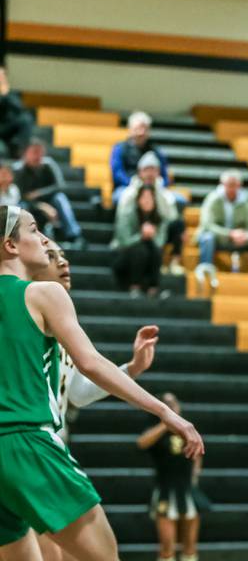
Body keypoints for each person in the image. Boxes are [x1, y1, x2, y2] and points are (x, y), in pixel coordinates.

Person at [0, 205, 203, 561]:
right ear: (10, 245)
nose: (45, 241)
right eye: (34, 231)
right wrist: (165, 413)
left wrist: (131, 367)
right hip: (26, 443)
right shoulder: (42, 294)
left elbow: (77, 389)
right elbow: (90, 364)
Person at [29, 240, 158, 561]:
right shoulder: (22, 316)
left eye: (64, 254)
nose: (64, 261)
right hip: (28, 451)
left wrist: (132, 368)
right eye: (52, 255)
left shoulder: (61, 320)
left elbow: (77, 393)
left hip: (50, 450)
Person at [137, 393, 206, 561]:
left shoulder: (186, 428)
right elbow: (141, 443)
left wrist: (196, 471)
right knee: (167, 545)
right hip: (165, 489)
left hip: (187, 488)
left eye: (174, 402)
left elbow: (198, 451)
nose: (172, 405)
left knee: (190, 546)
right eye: (166, 403)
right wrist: (165, 420)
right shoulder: (155, 429)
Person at [117, 152, 185, 275]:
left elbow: (171, 217)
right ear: (139, 172)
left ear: (158, 172)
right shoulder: (129, 193)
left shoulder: (164, 193)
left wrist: (157, 195)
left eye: (153, 170)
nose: (149, 174)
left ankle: (174, 262)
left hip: (158, 231)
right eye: (146, 170)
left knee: (179, 224)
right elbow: (123, 219)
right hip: (135, 232)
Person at [13, 139, 85, 248]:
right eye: (34, 152)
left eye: (40, 153)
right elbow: (21, 195)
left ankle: (74, 235)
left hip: (48, 200)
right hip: (28, 204)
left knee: (60, 198)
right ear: (25, 154)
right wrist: (41, 206)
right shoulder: (18, 169)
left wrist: (39, 194)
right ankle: (20, 238)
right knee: (20, 206)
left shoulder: (48, 164)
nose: (37, 156)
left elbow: (60, 186)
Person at [195, 170, 248, 275]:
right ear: (222, 184)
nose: (232, 188)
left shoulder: (245, 202)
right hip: (218, 239)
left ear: (239, 186)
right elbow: (207, 225)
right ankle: (206, 273)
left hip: (239, 241)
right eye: (229, 185)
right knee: (207, 237)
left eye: (235, 185)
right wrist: (230, 234)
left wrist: (246, 236)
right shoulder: (212, 199)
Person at [112, 185, 169, 297]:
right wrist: (141, 236)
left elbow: (161, 242)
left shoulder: (159, 218)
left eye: (150, 198)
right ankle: (134, 286)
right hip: (123, 257)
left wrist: (152, 236)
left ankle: (153, 288)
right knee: (140, 249)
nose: (147, 201)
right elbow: (124, 241)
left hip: (148, 255)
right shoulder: (127, 214)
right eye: (144, 197)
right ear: (138, 199)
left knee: (155, 250)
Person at [110, 112, 170, 204]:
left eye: (144, 129)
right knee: (120, 197)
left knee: (179, 200)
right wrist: (136, 186)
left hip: (154, 189)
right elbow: (117, 173)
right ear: (130, 129)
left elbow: (164, 175)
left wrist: (155, 186)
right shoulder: (120, 149)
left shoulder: (156, 151)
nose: (141, 132)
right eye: (138, 128)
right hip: (127, 187)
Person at [0, 67, 34, 157]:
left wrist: (6, 94)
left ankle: (18, 148)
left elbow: (18, 106)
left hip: (9, 124)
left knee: (26, 119)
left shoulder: (13, 90)